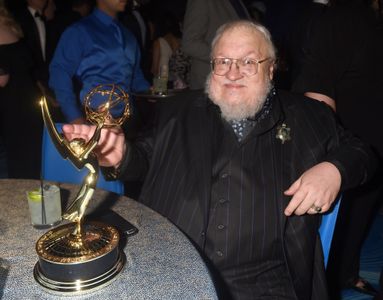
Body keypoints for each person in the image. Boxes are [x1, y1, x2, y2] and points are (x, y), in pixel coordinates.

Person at [61, 20, 377, 299]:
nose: (232, 72)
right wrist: (119, 154)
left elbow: (363, 154)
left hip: (267, 282)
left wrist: (333, 170)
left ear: (271, 67)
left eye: (248, 62)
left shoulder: (307, 115)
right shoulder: (178, 111)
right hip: (172, 267)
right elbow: (141, 156)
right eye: (223, 61)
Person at [292, 0, 383, 297]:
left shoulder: (369, 16)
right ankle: (332, 281)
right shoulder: (344, 14)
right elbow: (318, 92)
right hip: (351, 149)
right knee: (339, 225)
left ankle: (347, 274)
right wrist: (329, 158)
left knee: (360, 219)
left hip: (370, 149)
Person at [49, 0, 150, 124]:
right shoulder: (79, 31)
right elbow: (60, 72)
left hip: (129, 120)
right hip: (94, 119)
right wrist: (73, 116)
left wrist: (151, 92)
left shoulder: (128, 35)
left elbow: (135, 76)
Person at [0, 1, 43, 179]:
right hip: (28, 102)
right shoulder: (11, 24)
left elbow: (2, 79)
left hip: (12, 108)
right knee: (29, 163)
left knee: (14, 165)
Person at [182, 0, 250, 90]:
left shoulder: (238, 3)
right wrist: (227, 58)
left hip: (236, 79)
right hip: (211, 81)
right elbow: (190, 44)